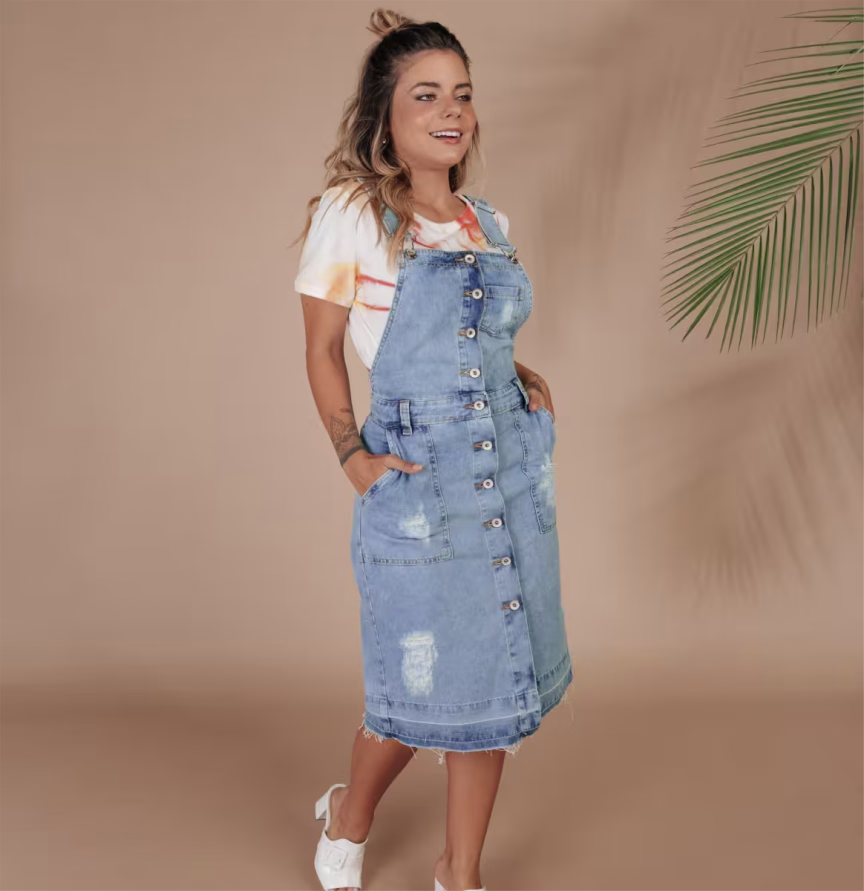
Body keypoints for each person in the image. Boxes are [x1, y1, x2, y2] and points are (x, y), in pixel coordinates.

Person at [292, 9, 573, 891]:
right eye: (426, 95)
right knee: (418, 691)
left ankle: (461, 872)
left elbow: (475, 335)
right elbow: (323, 348)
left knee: (492, 686)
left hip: (507, 472)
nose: (451, 111)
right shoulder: (354, 216)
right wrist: (353, 456)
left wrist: (514, 369)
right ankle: (349, 812)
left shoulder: (488, 221)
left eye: (462, 94)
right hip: (422, 481)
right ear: (385, 114)